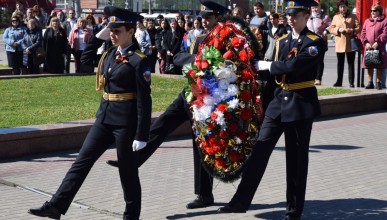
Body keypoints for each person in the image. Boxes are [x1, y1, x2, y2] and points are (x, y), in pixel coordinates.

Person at [28, 6, 151, 220]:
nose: (113, 34)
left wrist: (141, 135)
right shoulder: (110, 54)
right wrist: (98, 35)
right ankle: (56, 206)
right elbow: (84, 58)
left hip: (125, 123)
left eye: (117, 30)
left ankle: (131, 216)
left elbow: (144, 100)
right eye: (110, 30)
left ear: (131, 32)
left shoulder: (138, 60)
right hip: (104, 118)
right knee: (82, 161)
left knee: (127, 172)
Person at [107, 0, 230, 210]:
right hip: (190, 92)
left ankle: (204, 194)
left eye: (209, 18)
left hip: (212, 99)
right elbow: (179, 55)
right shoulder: (197, 37)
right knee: (163, 123)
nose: (205, 22)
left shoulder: (228, 41)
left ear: (219, 18)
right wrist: (200, 59)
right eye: (203, 18)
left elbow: (232, 67)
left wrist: (215, 66)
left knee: (200, 143)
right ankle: (134, 159)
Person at [217, 1, 324, 220]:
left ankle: (293, 211)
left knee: (295, 161)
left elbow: (295, 66)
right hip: (277, 104)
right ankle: (240, 201)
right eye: (289, 15)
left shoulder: (314, 42)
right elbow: (272, 81)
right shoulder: (281, 41)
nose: (291, 19)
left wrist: (269, 66)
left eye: (296, 15)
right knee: (259, 151)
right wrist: (262, 107)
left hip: (299, 105)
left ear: (306, 16)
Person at [329, 0, 360, 88]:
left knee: (351, 63)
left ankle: (351, 82)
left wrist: (352, 30)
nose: (342, 8)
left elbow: (359, 27)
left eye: (344, 6)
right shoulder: (336, 17)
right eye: (341, 7)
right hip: (340, 43)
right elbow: (331, 28)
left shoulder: (353, 16)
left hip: (350, 43)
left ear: (347, 7)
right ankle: (339, 81)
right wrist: (338, 30)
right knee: (340, 63)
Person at [360, 4, 387, 90]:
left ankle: (378, 82)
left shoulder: (384, 21)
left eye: (374, 11)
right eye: (371, 11)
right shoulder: (367, 21)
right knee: (369, 64)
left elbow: (385, 33)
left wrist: (377, 42)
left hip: (379, 47)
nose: (372, 12)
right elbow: (363, 33)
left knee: (379, 64)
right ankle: (370, 82)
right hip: (368, 47)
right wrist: (366, 42)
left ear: (379, 12)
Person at [307, 0, 331, 86]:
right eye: (313, 7)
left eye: (316, 7)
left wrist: (326, 30)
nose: (314, 9)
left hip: (320, 41)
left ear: (320, 7)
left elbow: (331, 25)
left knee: (319, 60)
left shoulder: (324, 16)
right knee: (310, 60)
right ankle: (311, 77)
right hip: (309, 42)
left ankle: (318, 78)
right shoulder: (308, 17)